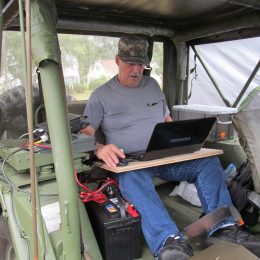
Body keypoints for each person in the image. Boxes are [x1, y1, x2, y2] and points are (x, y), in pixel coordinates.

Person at [82, 35, 260, 259]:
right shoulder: (101, 96)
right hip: (132, 163)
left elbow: (167, 121)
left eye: (140, 64)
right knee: (131, 179)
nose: (136, 70)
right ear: (117, 60)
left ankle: (223, 228)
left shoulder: (153, 85)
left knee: (207, 162)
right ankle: (169, 242)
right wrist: (100, 148)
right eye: (130, 64)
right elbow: (85, 133)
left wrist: (184, 140)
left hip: (165, 154)